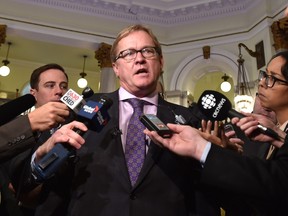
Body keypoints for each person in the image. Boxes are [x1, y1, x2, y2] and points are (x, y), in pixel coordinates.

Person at [20, 24, 220, 216]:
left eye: (147, 51)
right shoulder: (82, 110)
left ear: (161, 61)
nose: (139, 59)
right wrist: (41, 155)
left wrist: (217, 156)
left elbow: (201, 195)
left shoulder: (188, 119)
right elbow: (50, 185)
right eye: (128, 53)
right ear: (115, 67)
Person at [145, 50, 288, 215]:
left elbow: (275, 182)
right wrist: (226, 155)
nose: (262, 83)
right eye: (264, 75)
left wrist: (202, 149)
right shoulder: (271, 138)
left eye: (272, 78)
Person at [4, 63, 74, 215]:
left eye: (63, 86)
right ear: (33, 93)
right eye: (50, 86)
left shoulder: (77, 126)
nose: (58, 91)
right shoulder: (16, 129)